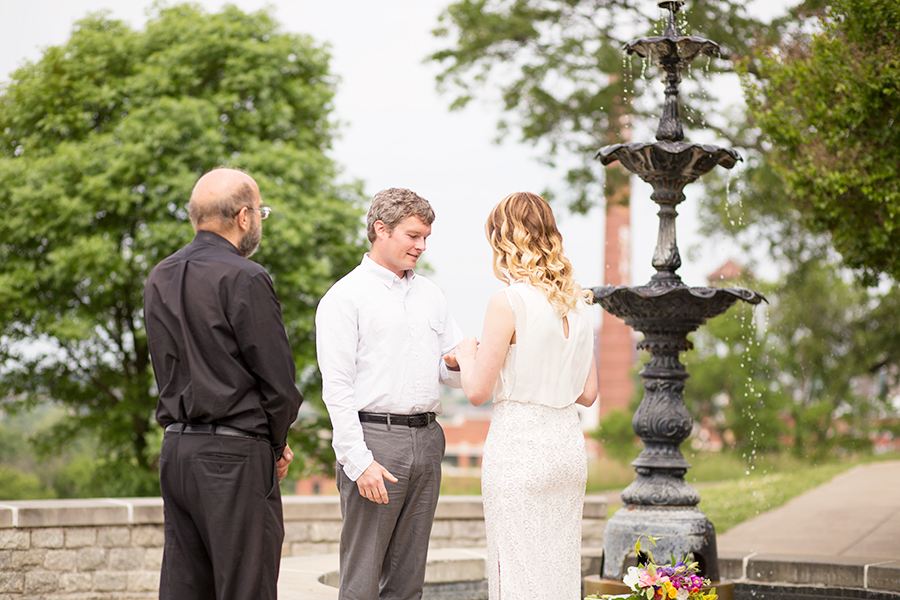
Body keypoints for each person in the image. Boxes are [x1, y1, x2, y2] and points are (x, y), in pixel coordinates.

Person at [144, 168, 303, 600]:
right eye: (261, 213)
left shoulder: (160, 275)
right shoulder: (245, 277)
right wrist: (274, 448)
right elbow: (279, 385)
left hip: (177, 453)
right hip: (233, 459)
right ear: (245, 216)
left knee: (185, 589)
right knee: (245, 589)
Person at [449, 191, 598, 600]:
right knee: (558, 573)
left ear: (504, 240)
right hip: (567, 449)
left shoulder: (508, 302)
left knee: (516, 573)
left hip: (519, 452)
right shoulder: (579, 304)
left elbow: (477, 391)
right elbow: (588, 393)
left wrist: (465, 353)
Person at [315, 187, 463, 600]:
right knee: (362, 579)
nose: (422, 246)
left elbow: (449, 373)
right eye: (414, 235)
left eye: (426, 237)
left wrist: (453, 365)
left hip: (428, 440)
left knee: (408, 578)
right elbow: (337, 388)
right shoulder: (345, 298)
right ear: (381, 229)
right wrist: (359, 462)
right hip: (374, 443)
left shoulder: (431, 294)